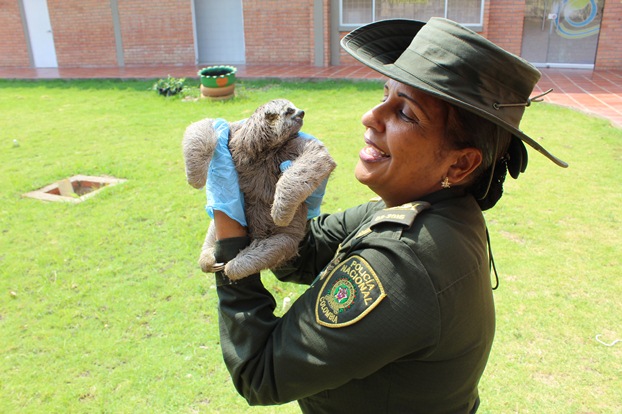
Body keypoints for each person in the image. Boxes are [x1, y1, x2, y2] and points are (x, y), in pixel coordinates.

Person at [205, 17, 568, 413]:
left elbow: (259, 373)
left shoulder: (401, 262)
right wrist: (264, 199)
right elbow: (303, 256)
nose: (370, 116)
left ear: (461, 164)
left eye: (406, 113)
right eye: (384, 94)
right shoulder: (428, 207)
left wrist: (229, 228)